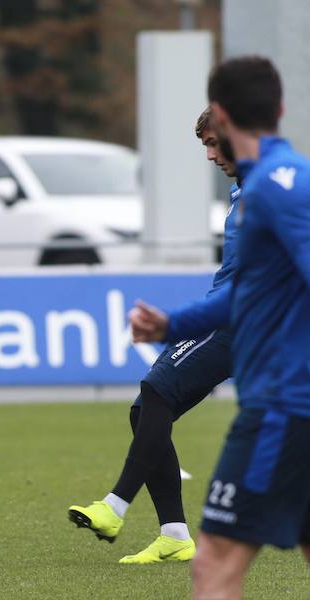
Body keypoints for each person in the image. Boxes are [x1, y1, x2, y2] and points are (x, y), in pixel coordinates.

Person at [130, 56, 310, 599]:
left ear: (221, 116)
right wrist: (173, 324)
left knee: (215, 566)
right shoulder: (284, 179)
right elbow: (246, 293)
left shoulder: (275, 189)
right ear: (280, 110)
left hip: (285, 406)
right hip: (306, 405)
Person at [67, 107, 240, 564]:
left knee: (156, 390)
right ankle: (175, 535)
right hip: (229, 317)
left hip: (237, 321)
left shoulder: (268, 194)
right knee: (145, 409)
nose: (208, 155)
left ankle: (114, 506)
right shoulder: (246, 191)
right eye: (203, 145)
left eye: (212, 143)